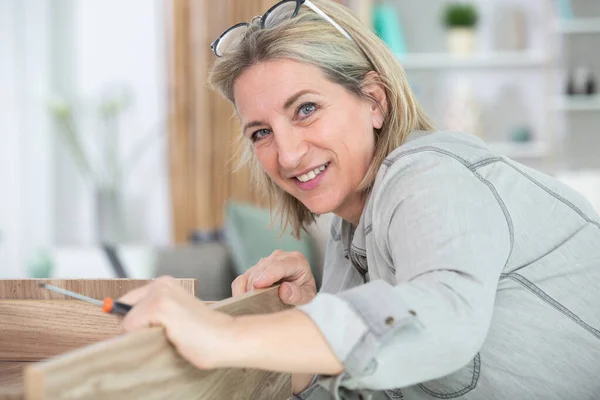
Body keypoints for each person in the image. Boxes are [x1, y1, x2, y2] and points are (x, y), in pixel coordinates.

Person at [118, 1, 600, 399]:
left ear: (374, 101)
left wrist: (221, 335)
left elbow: (442, 318)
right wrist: (301, 326)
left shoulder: (429, 174)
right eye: (261, 132)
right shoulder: (350, 231)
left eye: (306, 109)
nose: (286, 153)